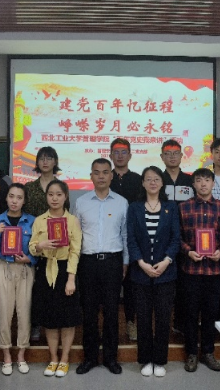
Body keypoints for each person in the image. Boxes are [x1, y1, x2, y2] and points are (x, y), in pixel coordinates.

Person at [74, 158, 128, 375]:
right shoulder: (81, 202)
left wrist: (125, 262)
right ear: (91, 176)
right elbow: (76, 236)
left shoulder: (122, 202)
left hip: (113, 262)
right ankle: (89, 358)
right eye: (96, 172)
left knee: (112, 311)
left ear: (111, 176)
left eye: (105, 172)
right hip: (87, 262)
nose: (101, 176)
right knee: (89, 312)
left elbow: (125, 235)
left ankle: (110, 358)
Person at [127, 166, 180, 378]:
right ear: (142, 182)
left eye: (156, 179)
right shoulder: (134, 208)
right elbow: (131, 239)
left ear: (162, 183)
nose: (152, 182)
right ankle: (145, 359)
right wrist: (141, 263)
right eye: (148, 179)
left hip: (165, 273)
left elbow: (176, 238)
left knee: (163, 318)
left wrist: (166, 261)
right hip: (141, 273)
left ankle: (159, 360)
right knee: (143, 318)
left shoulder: (171, 207)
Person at [179, 168, 220, 373]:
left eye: (207, 180)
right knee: (190, 313)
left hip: (214, 271)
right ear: (193, 184)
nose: (203, 184)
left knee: (210, 313)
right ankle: (192, 353)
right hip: (190, 270)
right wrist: (189, 252)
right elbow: (178, 237)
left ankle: (208, 353)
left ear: (213, 183)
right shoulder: (183, 207)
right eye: (199, 180)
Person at [29, 179, 82, 378]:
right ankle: (53, 358)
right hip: (45, 270)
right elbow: (31, 246)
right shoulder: (39, 220)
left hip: (66, 270)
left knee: (67, 319)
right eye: (51, 194)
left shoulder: (72, 220)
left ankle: (65, 359)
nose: (54, 198)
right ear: (46, 197)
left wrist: (71, 279)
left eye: (59, 194)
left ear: (65, 196)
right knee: (49, 319)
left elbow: (75, 251)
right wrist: (40, 246)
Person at [0, 183, 37, 376]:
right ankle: (6, 355)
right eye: (11, 196)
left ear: (24, 200)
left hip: (25, 270)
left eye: (19, 197)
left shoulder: (32, 221)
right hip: (3, 268)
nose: (15, 201)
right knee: (4, 312)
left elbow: (37, 250)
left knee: (24, 312)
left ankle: (21, 354)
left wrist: (29, 259)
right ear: (6, 198)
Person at [24, 146, 61, 341]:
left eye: (49, 158)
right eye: (42, 158)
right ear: (37, 162)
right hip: (34, 242)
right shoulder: (29, 188)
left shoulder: (61, 186)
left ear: (55, 162)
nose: (45, 162)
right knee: (36, 289)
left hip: (55, 244)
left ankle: (53, 325)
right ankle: (35, 325)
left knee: (54, 287)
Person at [159, 139, 195, 335]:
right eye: (168, 153)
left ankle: (181, 323)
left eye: (175, 153)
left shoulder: (190, 180)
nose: (172, 157)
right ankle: (163, 324)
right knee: (164, 285)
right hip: (162, 240)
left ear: (181, 156)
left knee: (185, 285)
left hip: (187, 239)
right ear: (162, 157)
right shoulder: (157, 180)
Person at [109, 137, 142, 342]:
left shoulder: (138, 180)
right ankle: (109, 326)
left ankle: (131, 322)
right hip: (109, 239)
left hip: (132, 239)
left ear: (130, 155)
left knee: (131, 286)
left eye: (124, 152)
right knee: (109, 288)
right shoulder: (105, 177)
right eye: (116, 152)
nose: (120, 156)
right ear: (110, 155)